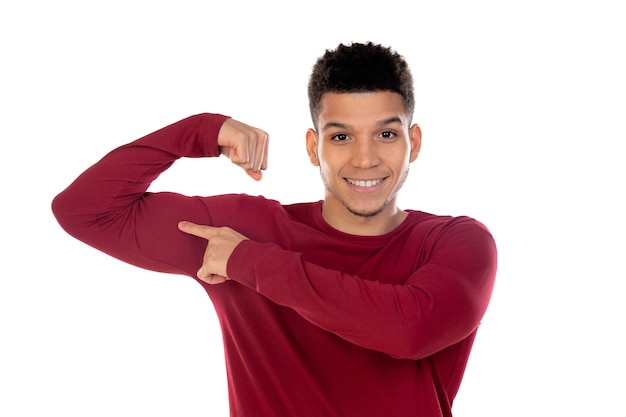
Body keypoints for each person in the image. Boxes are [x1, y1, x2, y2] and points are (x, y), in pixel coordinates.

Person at [52, 42, 497, 417]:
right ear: (312, 146)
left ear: (413, 143)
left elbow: (409, 331)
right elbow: (85, 211)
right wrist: (199, 131)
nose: (365, 159)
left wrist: (250, 262)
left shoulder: (457, 243)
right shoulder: (248, 228)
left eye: (385, 135)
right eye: (341, 137)